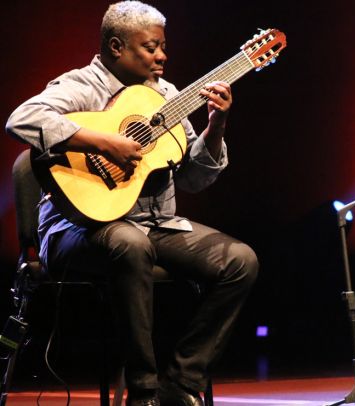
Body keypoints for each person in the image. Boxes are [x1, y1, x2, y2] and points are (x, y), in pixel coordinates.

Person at [6, 2, 258, 405]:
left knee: (239, 261)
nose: (162, 56)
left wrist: (216, 126)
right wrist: (105, 142)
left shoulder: (169, 97)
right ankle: (143, 390)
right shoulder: (80, 85)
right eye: (151, 47)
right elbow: (21, 118)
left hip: (155, 225)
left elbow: (193, 179)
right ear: (116, 46)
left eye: (163, 46)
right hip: (78, 229)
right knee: (130, 245)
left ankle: (181, 380)